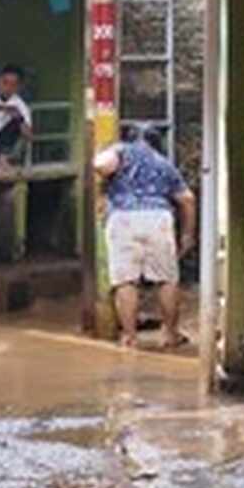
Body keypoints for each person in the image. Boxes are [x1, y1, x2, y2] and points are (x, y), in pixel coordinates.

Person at [93, 123, 197, 349]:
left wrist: (102, 154)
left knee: (125, 281)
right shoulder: (164, 163)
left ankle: (129, 337)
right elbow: (187, 199)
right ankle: (170, 334)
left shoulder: (122, 151)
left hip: (123, 218)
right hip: (158, 219)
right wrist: (188, 235)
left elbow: (101, 165)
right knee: (167, 279)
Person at [0, 64, 33, 169]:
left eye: (13, 85)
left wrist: (19, 118)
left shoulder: (20, 104)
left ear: (19, 87)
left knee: (17, 123)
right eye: (5, 82)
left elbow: (29, 135)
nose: (8, 88)